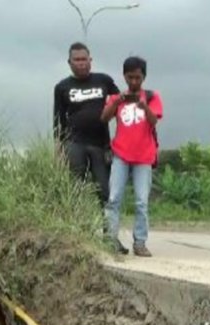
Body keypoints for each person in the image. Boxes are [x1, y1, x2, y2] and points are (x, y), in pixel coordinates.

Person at [101, 56, 163, 257]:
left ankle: (140, 242)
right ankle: (110, 239)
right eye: (130, 78)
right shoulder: (116, 98)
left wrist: (145, 107)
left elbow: (154, 122)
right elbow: (103, 118)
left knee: (141, 202)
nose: (134, 82)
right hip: (120, 154)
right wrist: (117, 101)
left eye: (137, 77)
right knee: (114, 198)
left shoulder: (153, 97)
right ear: (124, 76)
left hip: (144, 156)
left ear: (143, 76)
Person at [53, 42, 120, 226]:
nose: (81, 63)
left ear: (90, 60)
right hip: (74, 143)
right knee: (76, 189)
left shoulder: (104, 80)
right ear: (69, 62)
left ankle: (109, 236)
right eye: (77, 60)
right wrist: (58, 149)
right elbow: (57, 119)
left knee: (105, 191)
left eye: (84, 59)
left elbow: (121, 104)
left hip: (101, 144)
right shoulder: (62, 87)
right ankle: (78, 232)